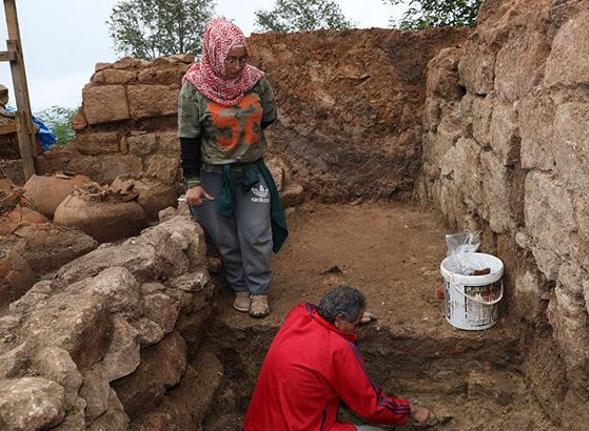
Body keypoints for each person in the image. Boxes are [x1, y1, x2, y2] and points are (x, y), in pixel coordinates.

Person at [178, 18, 287, 318]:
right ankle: (240, 287)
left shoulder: (255, 81)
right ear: (214, 54)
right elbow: (188, 136)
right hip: (213, 175)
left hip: (251, 172)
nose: (238, 66)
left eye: (242, 58)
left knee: (256, 234)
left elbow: (268, 116)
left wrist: (243, 141)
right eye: (231, 60)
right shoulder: (194, 87)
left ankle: (258, 290)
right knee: (225, 237)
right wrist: (192, 182)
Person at [244, 285, 430, 430]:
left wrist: (350, 322)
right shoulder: (338, 349)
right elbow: (371, 406)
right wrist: (410, 409)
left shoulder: (299, 314)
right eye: (355, 323)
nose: (356, 328)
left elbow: (311, 308)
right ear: (339, 319)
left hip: (259, 424)